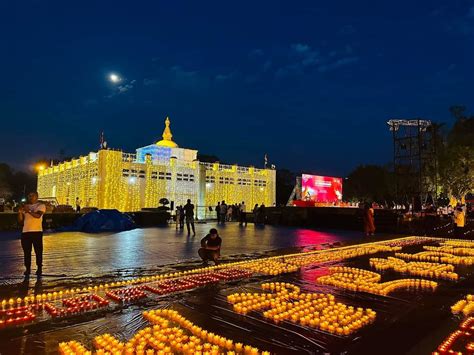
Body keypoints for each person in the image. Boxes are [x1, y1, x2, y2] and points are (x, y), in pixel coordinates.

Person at [17, 192, 46, 277]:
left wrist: (28, 211)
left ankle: (39, 268)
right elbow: (20, 221)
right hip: (25, 232)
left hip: (36, 232)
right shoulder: (26, 207)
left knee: (38, 251)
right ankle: (28, 269)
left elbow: (37, 216)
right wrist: (20, 213)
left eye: (32, 195)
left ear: (37, 197)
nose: (30, 197)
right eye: (29, 196)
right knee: (26, 252)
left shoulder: (40, 206)